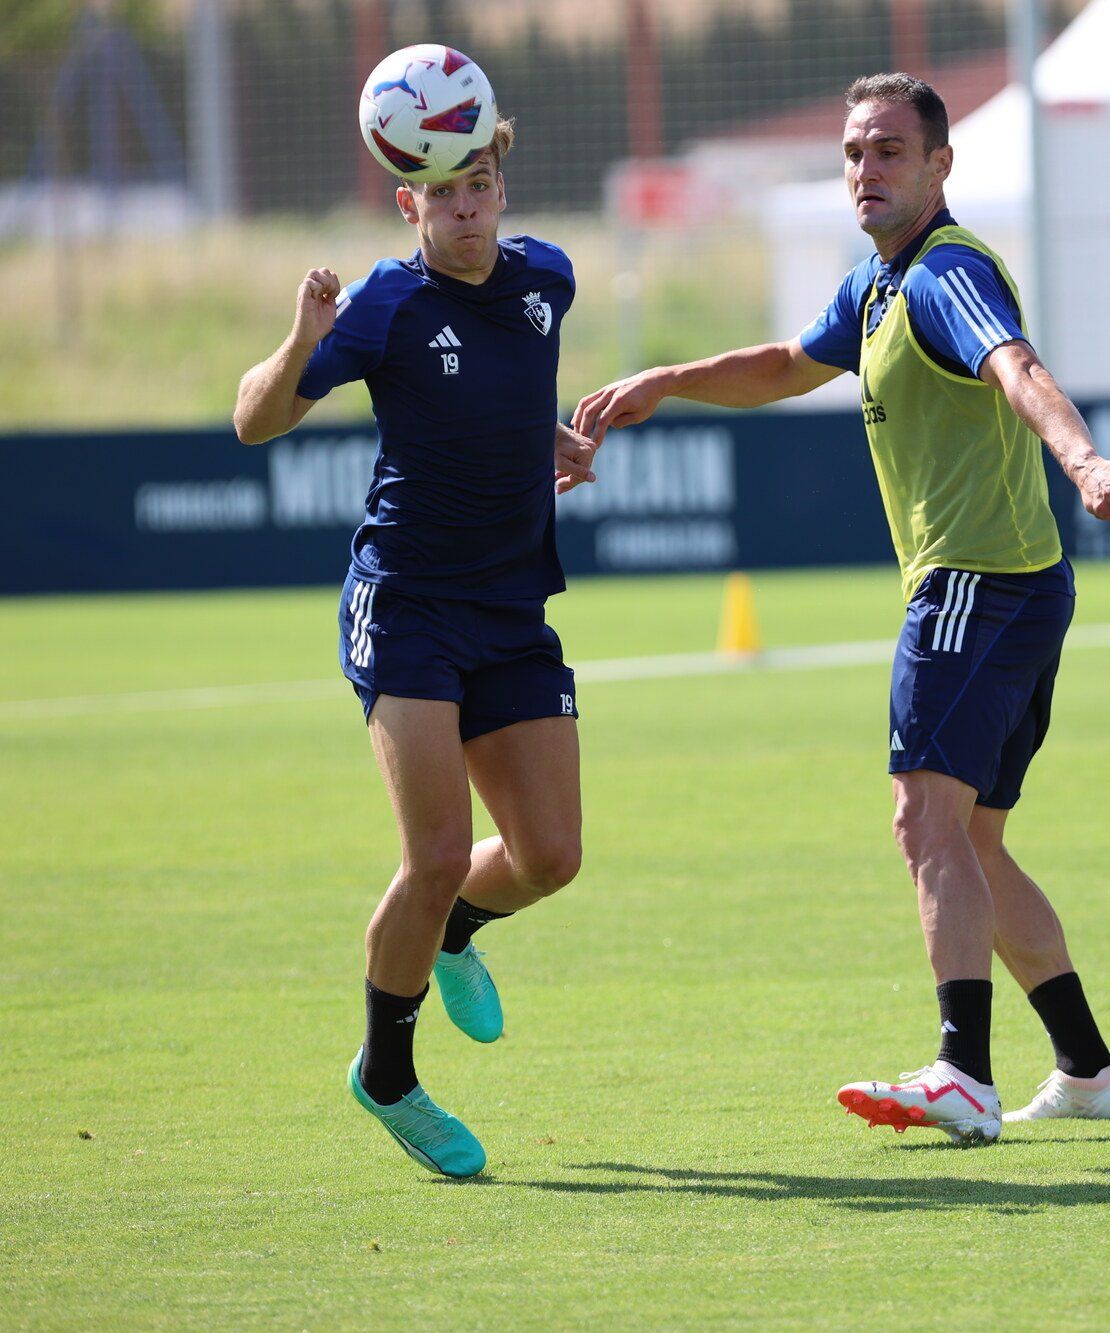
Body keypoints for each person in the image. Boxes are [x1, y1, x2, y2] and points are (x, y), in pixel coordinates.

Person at [573, 73, 1110, 1146]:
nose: (866, 170)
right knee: (974, 841)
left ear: (940, 166)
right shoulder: (877, 285)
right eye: (853, 152)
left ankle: (962, 1071)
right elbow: (791, 365)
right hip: (1013, 586)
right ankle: (1084, 1067)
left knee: (922, 820)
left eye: (890, 150)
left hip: (974, 585)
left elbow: (1016, 368)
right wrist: (667, 377)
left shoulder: (944, 275)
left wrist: (1081, 461)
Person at [233, 115, 600, 1177]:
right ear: (411, 205)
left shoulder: (551, 280)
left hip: (512, 608)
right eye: (444, 195)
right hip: (405, 603)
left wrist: (549, 435)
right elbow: (254, 423)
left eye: (480, 185)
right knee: (436, 855)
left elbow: (499, 389)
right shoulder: (385, 305)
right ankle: (386, 1072)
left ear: (500, 185)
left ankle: (451, 934)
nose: (468, 208)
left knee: (550, 857)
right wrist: (304, 334)